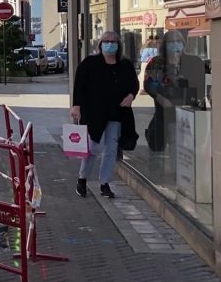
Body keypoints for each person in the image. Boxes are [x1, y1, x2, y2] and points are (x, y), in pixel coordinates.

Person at [71, 30, 140, 199]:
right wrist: (76, 106)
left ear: (119, 45)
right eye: (106, 41)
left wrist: (131, 95)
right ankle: (82, 178)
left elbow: (134, 84)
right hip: (94, 113)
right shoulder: (90, 63)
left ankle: (105, 183)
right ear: (100, 44)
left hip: (117, 113)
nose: (110, 44)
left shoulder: (125, 65)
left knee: (111, 150)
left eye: (114, 41)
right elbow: (79, 85)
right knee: (93, 147)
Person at [142, 29, 206, 151]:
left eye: (178, 41)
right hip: (166, 112)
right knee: (173, 147)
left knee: (185, 149)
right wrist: (160, 98)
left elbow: (201, 86)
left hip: (188, 113)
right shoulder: (157, 62)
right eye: (171, 42)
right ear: (165, 44)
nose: (175, 44)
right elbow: (149, 83)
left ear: (183, 43)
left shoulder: (194, 62)